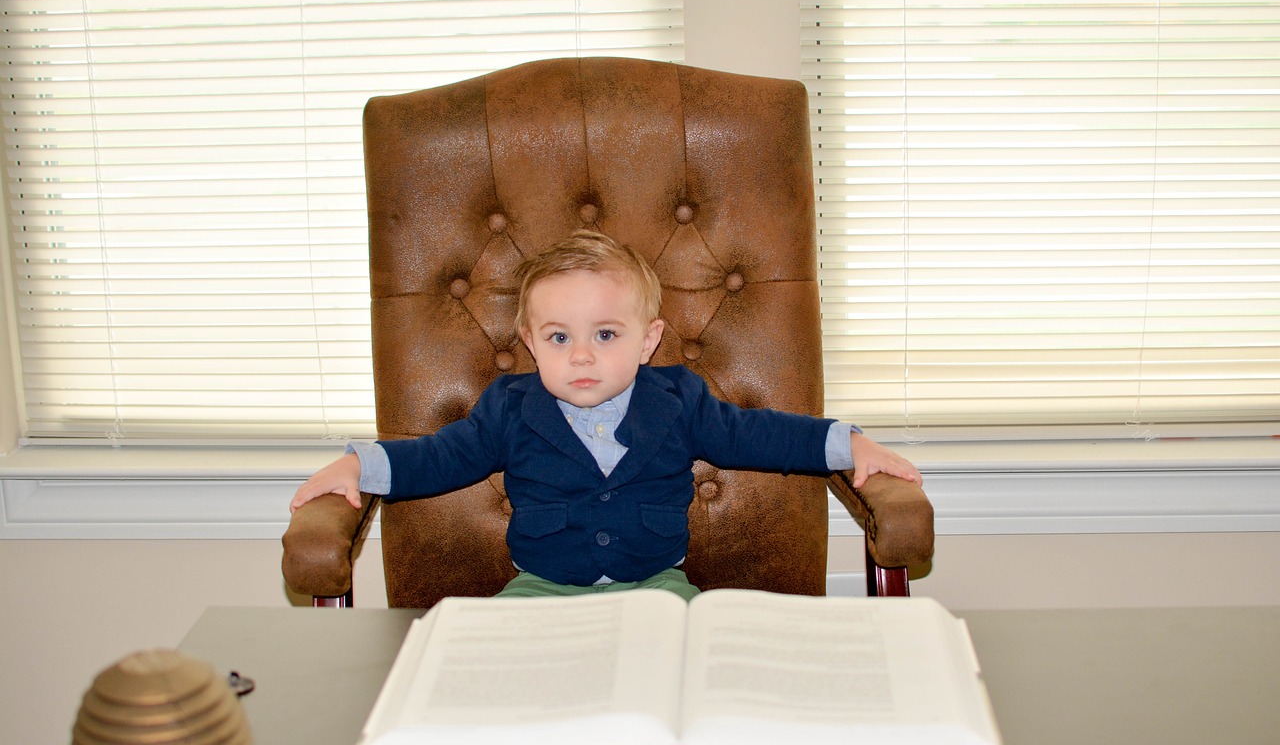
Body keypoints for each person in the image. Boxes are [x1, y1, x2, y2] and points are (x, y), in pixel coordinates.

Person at [290, 230, 921, 599]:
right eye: (560, 337)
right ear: (530, 340)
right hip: (539, 590)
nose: (583, 355)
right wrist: (361, 465)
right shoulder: (509, 408)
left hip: (657, 588)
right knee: (494, 672)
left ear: (648, 341)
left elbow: (759, 434)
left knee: (689, 673)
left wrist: (848, 446)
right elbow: (439, 456)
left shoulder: (679, 400)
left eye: (607, 335)